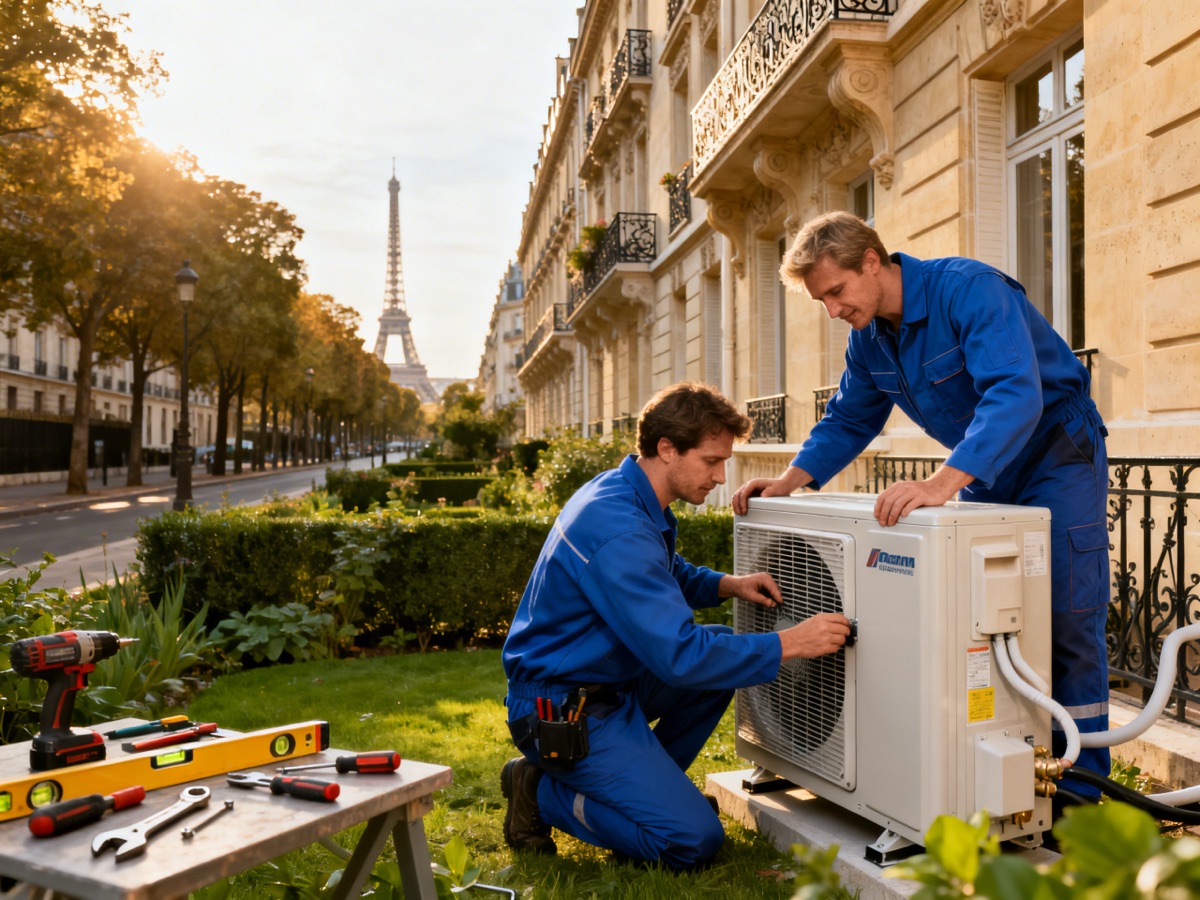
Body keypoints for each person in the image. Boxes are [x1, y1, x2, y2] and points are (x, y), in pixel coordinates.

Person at [731, 210, 1110, 791]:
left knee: (1066, 614)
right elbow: (848, 420)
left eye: (836, 291)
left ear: (872, 261)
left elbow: (1015, 395)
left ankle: (1084, 789)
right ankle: (1014, 772)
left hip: (1055, 453)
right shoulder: (869, 341)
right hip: (984, 470)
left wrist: (939, 485)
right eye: (821, 301)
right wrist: (790, 481)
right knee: (994, 621)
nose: (833, 311)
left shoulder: (969, 290)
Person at [501, 382, 851, 869]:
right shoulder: (618, 526)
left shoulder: (627, 493)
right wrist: (790, 643)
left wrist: (727, 584)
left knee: (727, 652)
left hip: (605, 684)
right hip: (562, 710)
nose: (721, 476)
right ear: (667, 449)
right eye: (711, 461)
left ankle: (645, 797)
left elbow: (660, 570)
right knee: (690, 842)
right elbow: (680, 657)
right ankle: (540, 790)